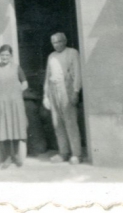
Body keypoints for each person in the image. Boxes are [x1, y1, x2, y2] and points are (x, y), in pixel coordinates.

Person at [43, 32, 82, 165]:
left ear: (65, 41)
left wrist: (76, 91)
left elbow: (77, 73)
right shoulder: (51, 56)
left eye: (59, 41)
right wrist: (45, 95)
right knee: (57, 123)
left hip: (67, 89)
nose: (57, 45)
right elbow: (47, 77)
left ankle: (76, 154)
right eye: (54, 42)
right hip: (54, 90)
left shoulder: (72, 52)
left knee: (70, 122)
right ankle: (63, 152)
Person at [0, 44, 28, 169]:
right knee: (3, 130)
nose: (5, 57)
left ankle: (15, 156)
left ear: (11, 56)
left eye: (7, 55)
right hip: (1, 103)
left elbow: (25, 83)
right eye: (2, 55)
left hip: (14, 103)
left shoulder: (16, 68)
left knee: (15, 128)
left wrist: (18, 92)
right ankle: (6, 158)